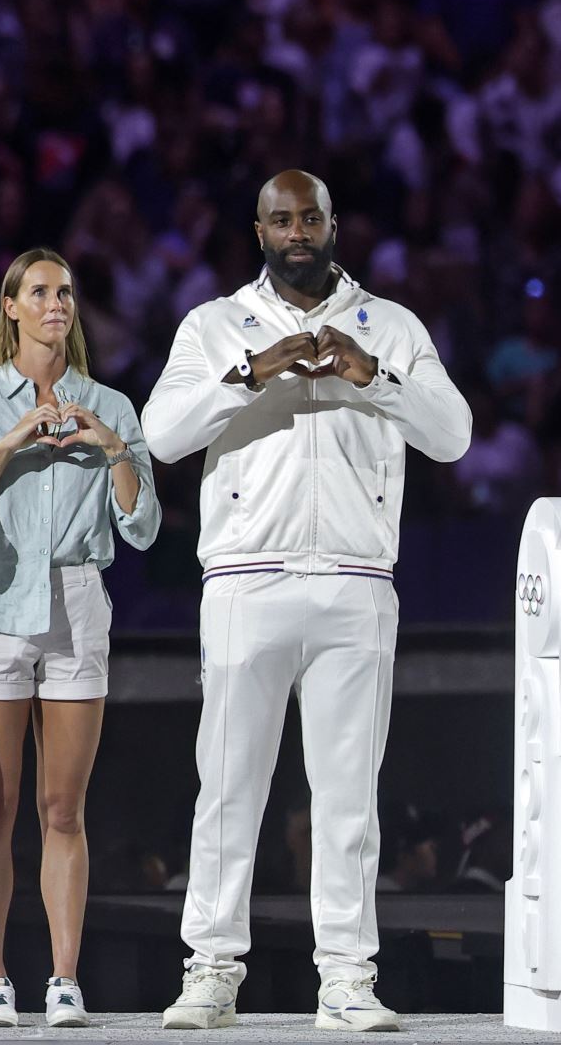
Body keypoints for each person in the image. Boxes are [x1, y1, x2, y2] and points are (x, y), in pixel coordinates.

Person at [142, 171, 470, 1032]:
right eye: (281, 219)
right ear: (258, 230)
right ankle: (211, 969)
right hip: (248, 576)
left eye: (311, 217)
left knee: (348, 794)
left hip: (357, 582)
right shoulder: (215, 325)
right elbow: (162, 435)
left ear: (334, 224)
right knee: (229, 787)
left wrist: (378, 378)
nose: (298, 231)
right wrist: (250, 374)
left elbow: (454, 434)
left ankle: (348, 980)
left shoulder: (389, 325)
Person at [0, 247, 159, 1029]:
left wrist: (111, 447)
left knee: (63, 806)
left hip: (75, 597)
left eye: (64, 291)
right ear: (10, 306)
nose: (55, 302)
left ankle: (64, 978)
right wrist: (12, 441)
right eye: (39, 291)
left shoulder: (112, 402)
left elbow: (142, 526)